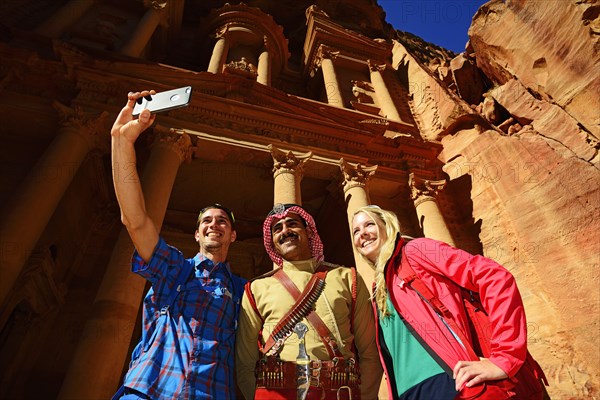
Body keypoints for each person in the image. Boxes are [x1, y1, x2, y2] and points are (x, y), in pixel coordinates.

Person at [110, 90, 246, 399]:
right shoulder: (175, 268)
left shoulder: (243, 291)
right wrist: (121, 144)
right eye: (206, 221)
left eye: (222, 221)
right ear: (197, 234)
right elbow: (135, 220)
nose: (214, 225)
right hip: (149, 389)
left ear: (233, 235)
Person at [351, 205, 533, 399]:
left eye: (369, 224)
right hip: (408, 394)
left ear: (386, 225)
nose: (363, 234)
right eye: (356, 231)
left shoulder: (415, 251)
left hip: (450, 383)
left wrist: (504, 358)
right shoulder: (377, 289)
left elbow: (493, 277)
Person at [236, 204, 382, 400]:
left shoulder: (347, 277)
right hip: (275, 392)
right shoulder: (256, 288)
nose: (285, 231)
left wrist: (363, 396)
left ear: (308, 231)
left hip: (339, 391)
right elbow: (245, 360)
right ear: (272, 242)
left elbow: (370, 351)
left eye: (292, 224)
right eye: (277, 229)